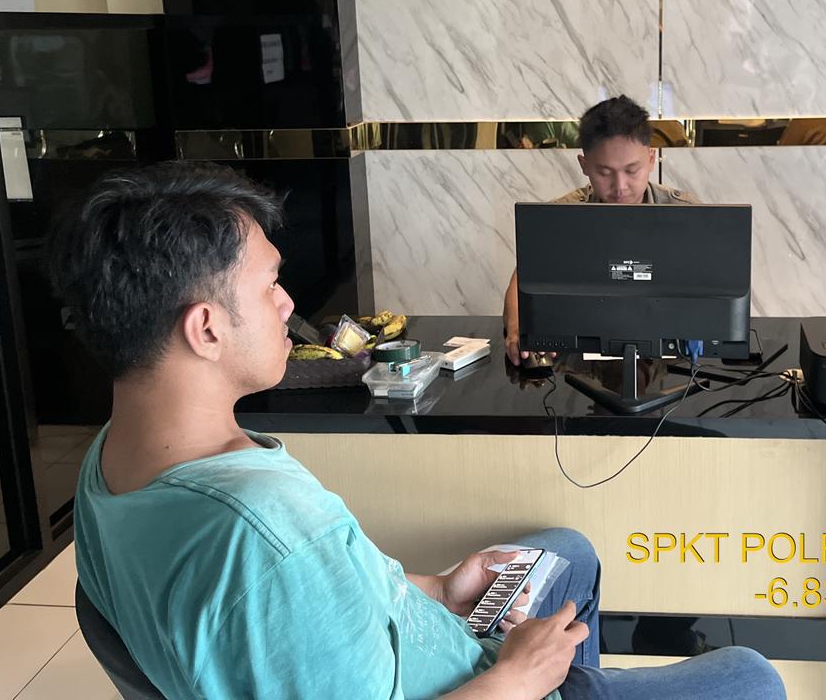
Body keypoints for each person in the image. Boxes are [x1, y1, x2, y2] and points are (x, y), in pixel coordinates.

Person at [51, 162, 784, 700]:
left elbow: (326, 597)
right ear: (206, 328)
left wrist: (436, 588)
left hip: (434, 645)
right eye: (269, 285)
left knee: (568, 553)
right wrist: (520, 678)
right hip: (484, 685)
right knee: (751, 677)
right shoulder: (269, 537)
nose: (288, 303)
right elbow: (294, 579)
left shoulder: (112, 461)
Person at [504, 96, 695, 366]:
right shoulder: (562, 216)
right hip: (581, 356)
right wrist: (516, 331)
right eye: (604, 172)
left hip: (668, 358)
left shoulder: (687, 214)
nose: (620, 186)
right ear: (584, 165)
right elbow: (523, 278)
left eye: (632, 170)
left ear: (652, 159)